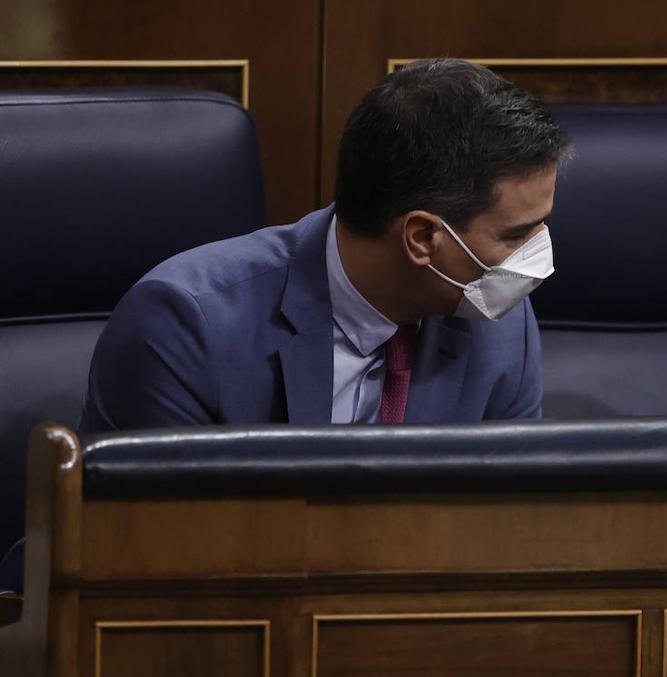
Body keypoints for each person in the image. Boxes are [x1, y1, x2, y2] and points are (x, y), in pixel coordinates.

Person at [80, 58, 569, 431]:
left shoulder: (499, 323)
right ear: (423, 238)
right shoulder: (184, 326)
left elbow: (505, 525)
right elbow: (154, 549)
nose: (537, 253)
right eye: (514, 234)